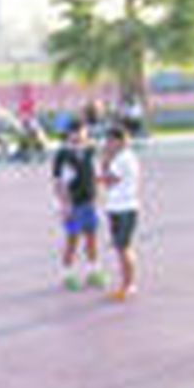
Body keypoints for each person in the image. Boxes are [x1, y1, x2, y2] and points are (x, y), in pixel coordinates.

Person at [52, 118, 105, 291]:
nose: (79, 135)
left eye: (82, 131)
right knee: (72, 240)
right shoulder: (62, 154)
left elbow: (95, 175)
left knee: (91, 238)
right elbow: (58, 182)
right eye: (75, 132)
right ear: (69, 134)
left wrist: (98, 197)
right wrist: (65, 205)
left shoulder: (91, 150)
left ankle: (93, 271)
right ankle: (67, 274)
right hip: (73, 204)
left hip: (89, 201)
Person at [97, 124, 141, 300]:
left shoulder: (124, 159)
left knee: (124, 248)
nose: (106, 144)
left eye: (109, 141)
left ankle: (128, 285)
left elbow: (109, 180)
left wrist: (93, 175)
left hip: (125, 208)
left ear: (119, 141)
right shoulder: (120, 157)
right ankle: (127, 283)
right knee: (121, 248)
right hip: (116, 207)